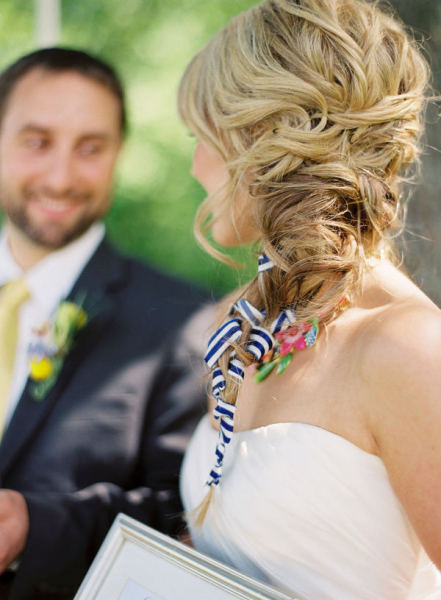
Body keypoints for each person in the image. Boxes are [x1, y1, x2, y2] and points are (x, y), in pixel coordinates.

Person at [178, 1, 441, 598]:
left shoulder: (407, 347)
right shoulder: (243, 323)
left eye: (201, 136)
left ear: (261, 140)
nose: (195, 164)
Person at [0, 47, 211, 600]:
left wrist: (35, 528)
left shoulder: (180, 321)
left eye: (90, 148)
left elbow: (185, 517)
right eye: (37, 141)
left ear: (119, 152)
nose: (61, 176)